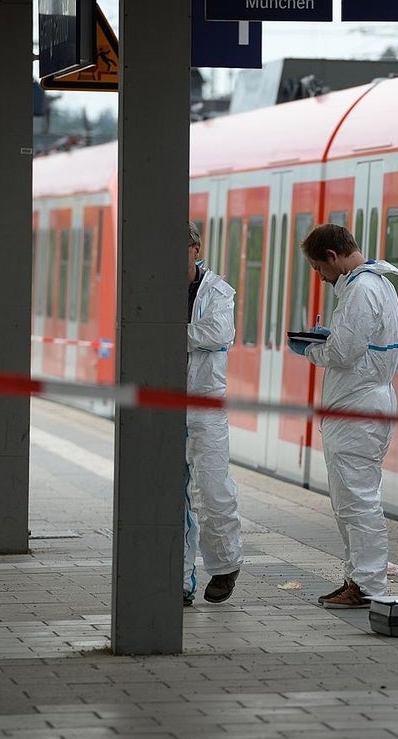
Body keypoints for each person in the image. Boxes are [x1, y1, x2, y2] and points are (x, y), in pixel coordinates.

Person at [289, 223, 398, 609]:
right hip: (368, 403)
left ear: (333, 257)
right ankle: (357, 576)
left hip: (357, 409)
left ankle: (367, 585)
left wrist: (308, 348)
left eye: (319, 268)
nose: (319, 277)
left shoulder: (359, 290)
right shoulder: (382, 285)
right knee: (353, 498)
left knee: (357, 500)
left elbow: (343, 353)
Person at [183, 220, 243, 605]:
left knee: (213, 490)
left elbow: (217, 333)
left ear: (196, 247)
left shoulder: (218, 291)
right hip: (164, 402)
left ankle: (224, 565)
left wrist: (171, 331)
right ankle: (179, 581)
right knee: (173, 496)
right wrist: (190, 331)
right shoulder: (152, 289)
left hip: (206, 403)